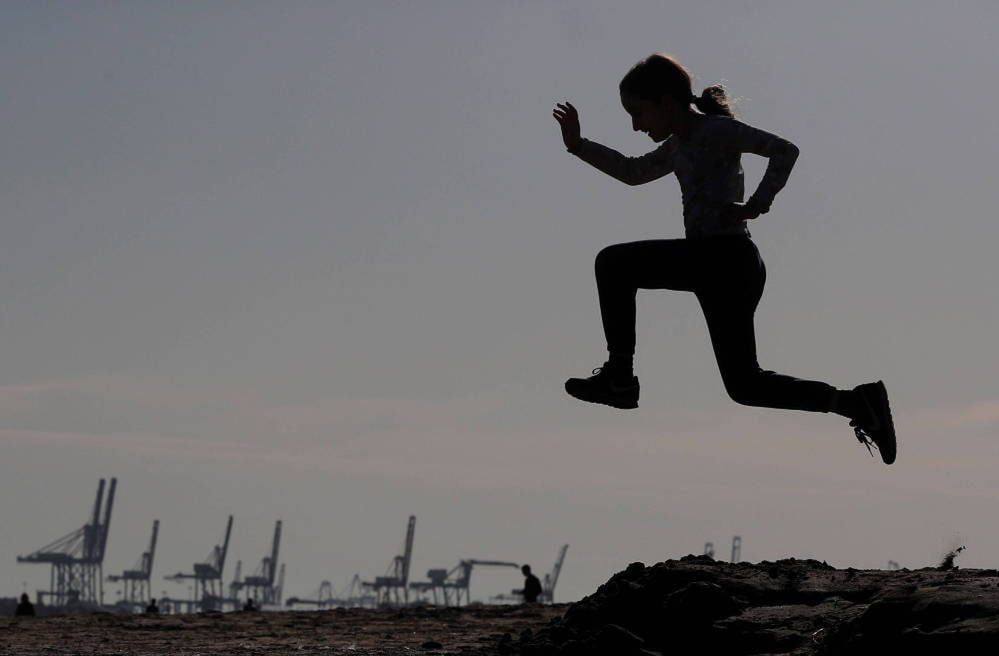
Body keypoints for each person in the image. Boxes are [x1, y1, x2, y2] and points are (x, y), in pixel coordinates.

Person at [553, 53, 896, 464]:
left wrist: (756, 204)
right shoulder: (677, 147)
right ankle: (856, 403)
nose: (636, 125)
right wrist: (578, 146)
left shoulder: (716, 130)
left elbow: (784, 150)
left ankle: (619, 379)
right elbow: (632, 172)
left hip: (724, 258)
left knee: (613, 263)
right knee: (745, 386)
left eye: (638, 112)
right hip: (718, 268)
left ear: (665, 101)